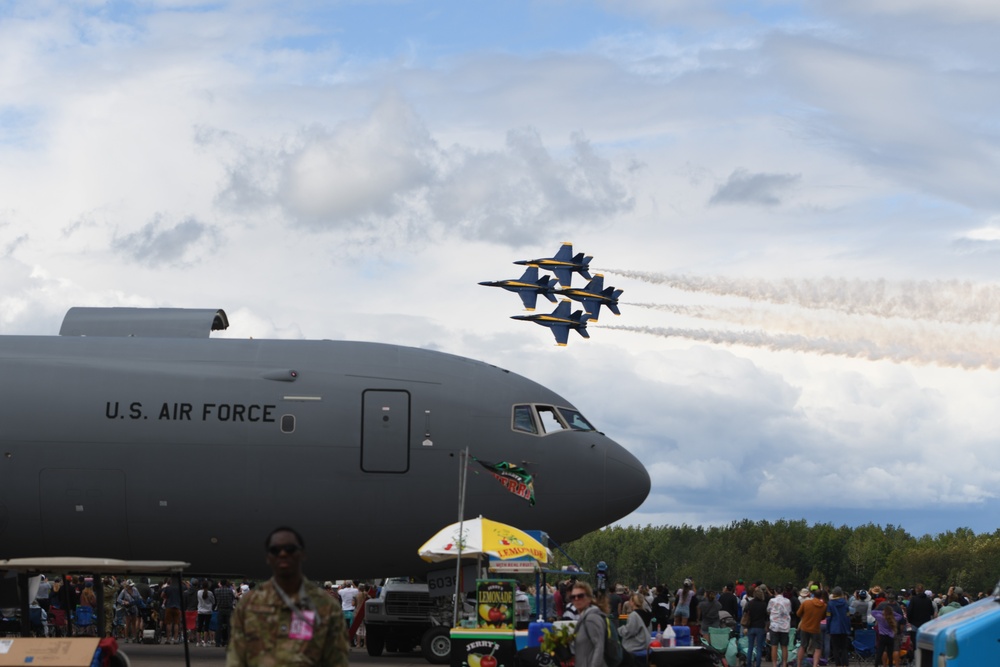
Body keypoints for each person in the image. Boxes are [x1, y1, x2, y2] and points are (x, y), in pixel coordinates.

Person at [227, 527, 349, 667]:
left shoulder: (326, 606)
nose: (283, 553)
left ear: (302, 554)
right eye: (275, 550)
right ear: (268, 557)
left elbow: (337, 661)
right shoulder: (248, 605)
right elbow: (236, 659)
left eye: (290, 549)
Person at [570, 582, 605, 667]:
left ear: (589, 598)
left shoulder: (591, 618)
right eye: (573, 597)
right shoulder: (584, 617)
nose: (576, 599)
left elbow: (599, 647)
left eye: (580, 596)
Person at [796, 587, 827, 667]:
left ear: (813, 595)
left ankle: (799, 664)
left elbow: (798, 613)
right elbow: (823, 617)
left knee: (803, 646)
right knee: (818, 648)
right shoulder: (824, 606)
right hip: (816, 628)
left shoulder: (806, 603)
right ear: (821, 596)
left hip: (805, 627)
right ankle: (815, 664)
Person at [767, 585, 792, 667]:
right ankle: (784, 664)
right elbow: (789, 611)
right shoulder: (787, 601)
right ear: (782, 592)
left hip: (774, 626)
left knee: (774, 646)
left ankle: (774, 664)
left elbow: (768, 610)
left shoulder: (772, 600)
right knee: (784, 646)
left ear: (775, 592)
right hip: (785, 626)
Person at [827, 587, 851, 667]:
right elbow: (848, 617)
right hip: (844, 627)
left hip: (834, 628)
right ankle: (845, 664)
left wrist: (828, 629)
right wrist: (848, 628)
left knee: (835, 648)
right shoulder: (845, 603)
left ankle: (838, 664)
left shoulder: (830, 604)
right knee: (844, 648)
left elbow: (829, 617)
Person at [744, 588, 768, 667]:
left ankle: (749, 664)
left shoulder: (750, 603)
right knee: (759, 648)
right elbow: (766, 616)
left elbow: (745, 611)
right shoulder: (764, 604)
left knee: (750, 647)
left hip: (751, 626)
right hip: (760, 627)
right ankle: (758, 665)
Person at [215, 580, 236, 648]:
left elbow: (216, 599)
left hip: (220, 609)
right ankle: (229, 642)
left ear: (220, 583)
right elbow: (233, 598)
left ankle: (218, 642)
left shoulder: (217, 590)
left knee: (218, 626)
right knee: (229, 627)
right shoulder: (230, 591)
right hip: (228, 609)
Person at [197, 580, 216, 646]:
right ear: (208, 586)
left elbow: (198, 600)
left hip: (200, 611)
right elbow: (213, 602)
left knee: (199, 626)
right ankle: (205, 642)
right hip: (208, 611)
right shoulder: (210, 593)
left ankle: (198, 642)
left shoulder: (198, 592)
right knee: (206, 627)